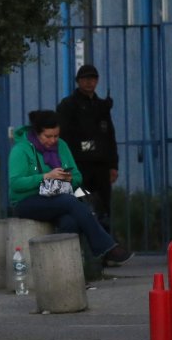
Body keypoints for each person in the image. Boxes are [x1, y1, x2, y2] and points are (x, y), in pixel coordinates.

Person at [9, 109, 133, 264]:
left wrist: (68, 179)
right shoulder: (21, 150)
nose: (53, 140)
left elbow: (78, 177)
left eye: (56, 136)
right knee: (70, 202)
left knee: (70, 222)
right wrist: (45, 177)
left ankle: (69, 273)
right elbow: (15, 184)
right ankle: (106, 247)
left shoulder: (61, 146)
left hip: (56, 198)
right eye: (48, 136)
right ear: (36, 133)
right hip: (27, 201)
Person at [56, 64, 120, 238]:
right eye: (85, 79)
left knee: (103, 209)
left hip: (100, 166)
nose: (89, 82)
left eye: (92, 79)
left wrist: (113, 165)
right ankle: (83, 250)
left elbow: (109, 136)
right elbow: (63, 137)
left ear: (97, 81)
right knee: (80, 206)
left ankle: (105, 251)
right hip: (79, 166)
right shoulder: (68, 105)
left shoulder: (101, 106)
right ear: (78, 82)